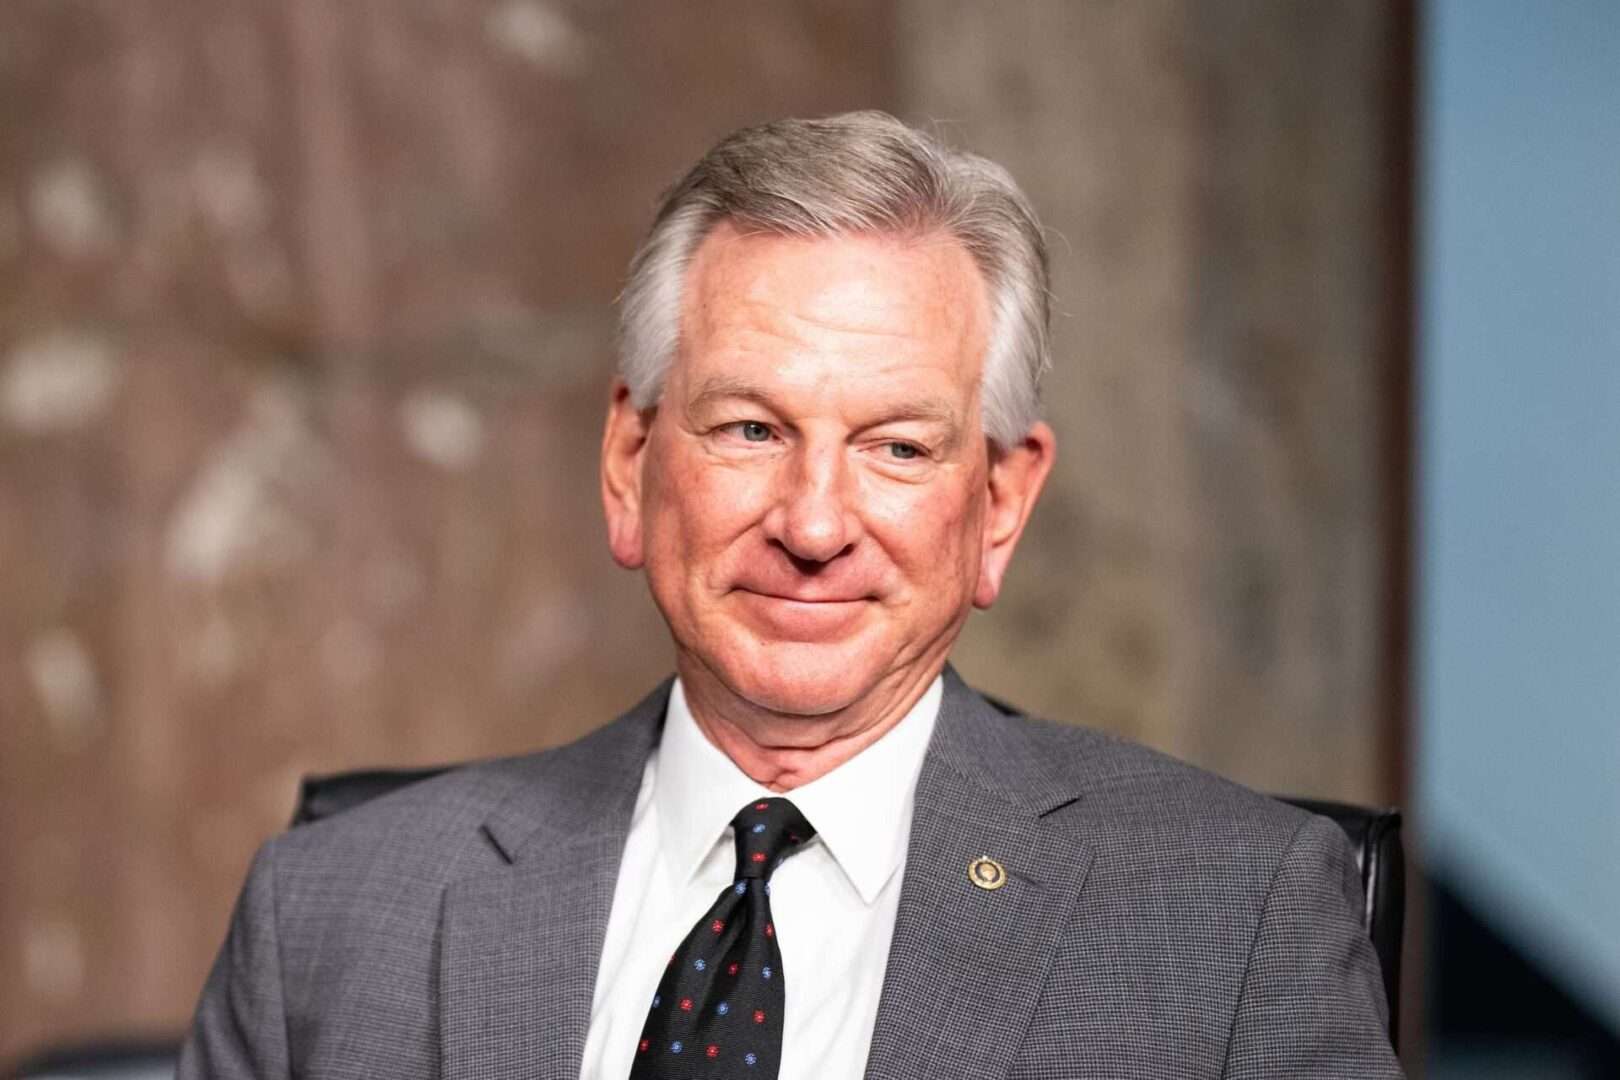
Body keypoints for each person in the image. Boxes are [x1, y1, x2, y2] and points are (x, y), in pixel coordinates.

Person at [181, 111, 1402, 1079]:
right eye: (752, 427)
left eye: (900, 448)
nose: (814, 524)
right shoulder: (332, 913)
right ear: (628, 464)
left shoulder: (1232, 922)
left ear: (1001, 506)